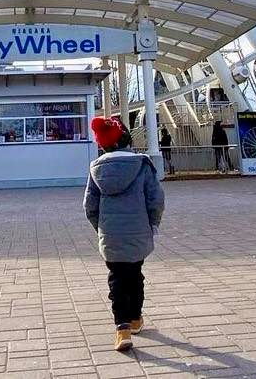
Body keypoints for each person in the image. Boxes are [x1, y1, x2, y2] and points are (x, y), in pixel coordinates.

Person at [84, 116, 165, 353]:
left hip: (110, 234)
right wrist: (152, 224)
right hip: (138, 231)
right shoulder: (142, 164)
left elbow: (90, 206)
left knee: (117, 279)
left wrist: (102, 227)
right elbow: (156, 199)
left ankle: (122, 328)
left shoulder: (96, 168)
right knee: (135, 276)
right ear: (125, 138)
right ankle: (137, 318)